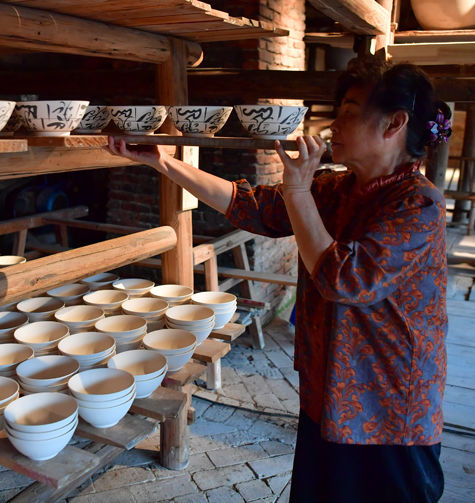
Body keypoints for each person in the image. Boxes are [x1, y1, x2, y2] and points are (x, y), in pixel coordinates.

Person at [105, 59, 450, 502]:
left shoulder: (419, 204)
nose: (334, 125)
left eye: (348, 111)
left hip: (386, 403)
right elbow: (253, 206)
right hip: (328, 390)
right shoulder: (338, 189)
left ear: (395, 123)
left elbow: (344, 279)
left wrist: (299, 193)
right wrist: (165, 162)